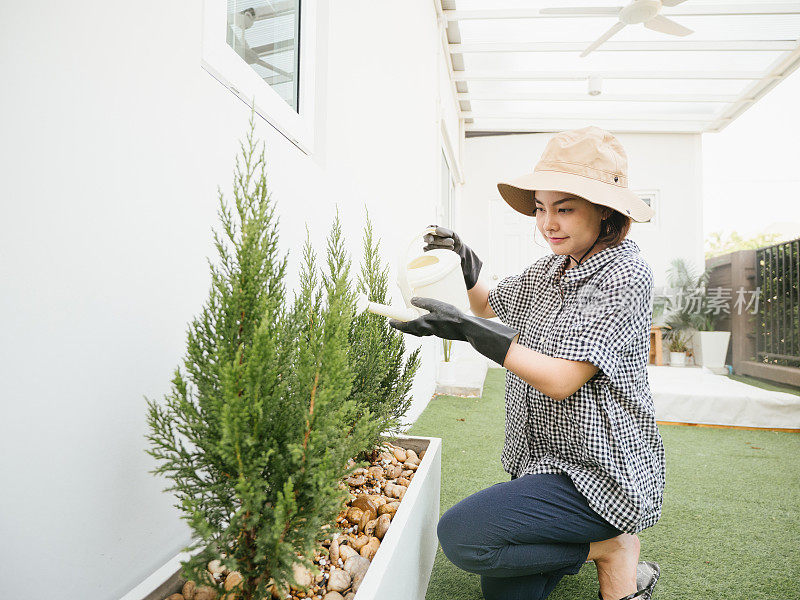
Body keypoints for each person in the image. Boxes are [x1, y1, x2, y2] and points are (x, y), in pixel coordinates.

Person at [390, 126, 665, 600]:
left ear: (605, 211)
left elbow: (562, 380)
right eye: (540, 208)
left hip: (599, 474)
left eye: (564, 208)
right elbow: (487, 306)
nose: (547, 223)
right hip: (544, 464)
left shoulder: (625, 274)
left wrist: (472, 335)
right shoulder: (553, 267)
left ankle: (611, 549)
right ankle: (584, 546)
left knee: (465, 538)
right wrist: (465, 261)